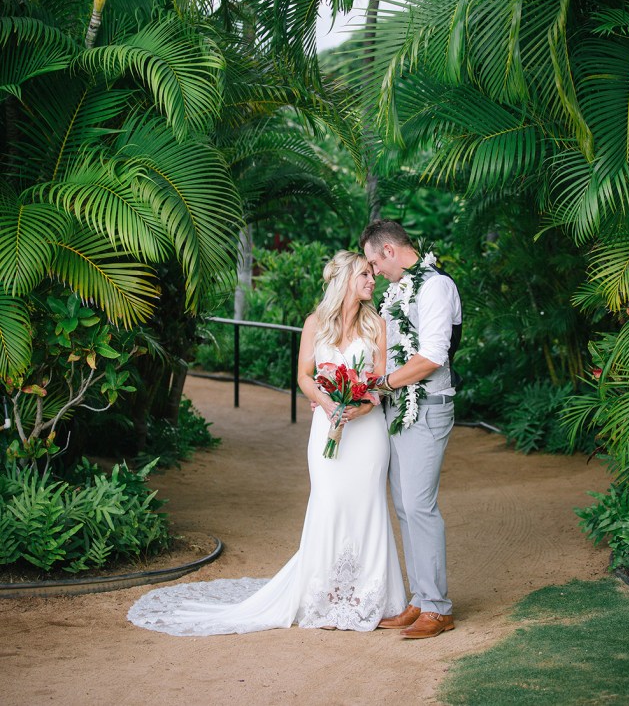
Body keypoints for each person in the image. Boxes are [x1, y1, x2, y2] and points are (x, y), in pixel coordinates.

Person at [127, 250, 406, 635]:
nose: (372, 280)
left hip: (367, 432)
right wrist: (329, 405)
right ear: (344, 279)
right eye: (364, 274)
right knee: (328, 503)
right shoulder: (315, 323)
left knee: (368, 506)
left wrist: (358, 407)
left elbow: (379, 378)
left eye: (372, 275)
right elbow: (305, 377)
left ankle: (368, 599)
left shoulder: (377, 325)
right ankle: (323, 598)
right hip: (326, 426)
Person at [360, 220, 462, 640]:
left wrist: (382, 384)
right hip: (399, 408)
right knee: (404, 505)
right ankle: (421, 599)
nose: (374, 272)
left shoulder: (434, 287)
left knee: (420, 506)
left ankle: (438, 608)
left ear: (388, 250)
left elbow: (433, 355)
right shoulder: (400, 290)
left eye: (372, 262)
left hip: (429, 407)